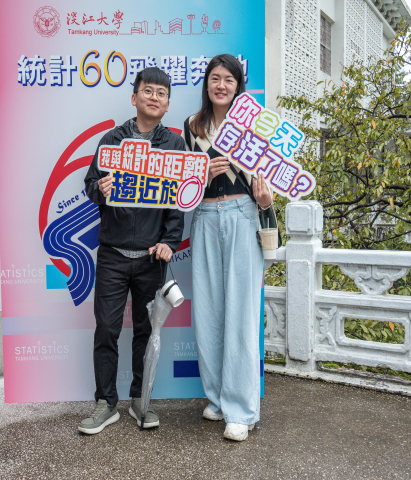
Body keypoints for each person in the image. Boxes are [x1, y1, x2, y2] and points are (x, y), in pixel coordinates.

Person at [79, 67, 185, 435]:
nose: (154, 97)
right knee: (106, 329)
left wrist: (170, 242)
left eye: (161, 93)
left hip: (151, 257)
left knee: (145, 332)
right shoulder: (112, 140)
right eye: (148, 91)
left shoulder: (174, 145)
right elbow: (90, 184)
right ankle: (106, 403)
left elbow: (177, 202)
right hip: (112, 253)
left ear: (167, 104)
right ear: (134, 97)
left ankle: (141, 401)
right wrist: (101, 189)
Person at [182, 54, 273, 441]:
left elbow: (269, 180)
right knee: (207, 313)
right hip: (204, 216)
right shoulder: (193, 125)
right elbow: (183, 186)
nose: (221, 85)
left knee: (241, 314)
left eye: (228, 80)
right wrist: (200, 175)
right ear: (207, 84)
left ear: (238, 86)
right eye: (215, 78)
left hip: (241, 216)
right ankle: (218, 399)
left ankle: (241, 410)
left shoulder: (254, 125)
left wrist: (266, 198)